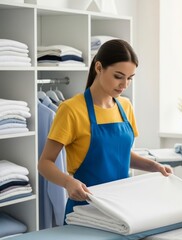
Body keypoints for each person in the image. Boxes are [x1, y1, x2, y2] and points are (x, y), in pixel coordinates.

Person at [38, 39, 173, 221]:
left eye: (130, 78)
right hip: (85, 209)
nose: (124, 84)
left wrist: (153, 166)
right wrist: (68, 183)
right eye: (118, 76)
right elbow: (45, 163)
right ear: (99, 68)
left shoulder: (125, 106)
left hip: (121, 207)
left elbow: (120, 155)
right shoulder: (71, 109)